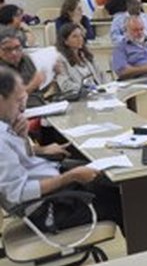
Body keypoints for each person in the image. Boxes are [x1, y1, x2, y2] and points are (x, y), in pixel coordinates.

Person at [0, 67, 123, 233]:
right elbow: (18, 193)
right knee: (122, 202)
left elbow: (23, 163)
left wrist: (24, 139)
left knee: (112, 181)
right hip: (46, 208)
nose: (23, 108)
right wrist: (69, 177)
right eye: (18, 101)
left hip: (53, 185)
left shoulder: (6, 125)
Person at [54, 23, 107, 93]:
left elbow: (101, 74)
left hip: (98, 92)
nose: (80, 39)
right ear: (65, 41)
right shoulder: (60, 60)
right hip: (80, 95)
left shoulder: (86, 55)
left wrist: (105, 87)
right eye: (75, 36)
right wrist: (86, 89)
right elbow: (65, 85)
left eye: (81, 35)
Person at [0, 28, 46, 100]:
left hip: (38, 102)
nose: (14, 53)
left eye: (17, 47)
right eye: (8, 49)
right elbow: (9, 100)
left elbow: (39, 89)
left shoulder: (26, 59)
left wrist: (52, 75)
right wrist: (32, 85)